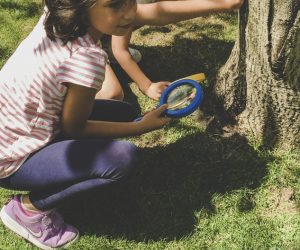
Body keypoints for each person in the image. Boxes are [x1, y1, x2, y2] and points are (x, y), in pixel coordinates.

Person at [0, 0, 244, 249]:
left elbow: (156, 12)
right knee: (120, 159)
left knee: (123, 113)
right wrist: (141, 128)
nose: (129, 12)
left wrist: (223, 4)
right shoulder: (86, 59)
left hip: (18, 125)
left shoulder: (57, 16)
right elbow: (75, 128)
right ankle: (27, 211)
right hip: (12, 158)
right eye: (115, 5)